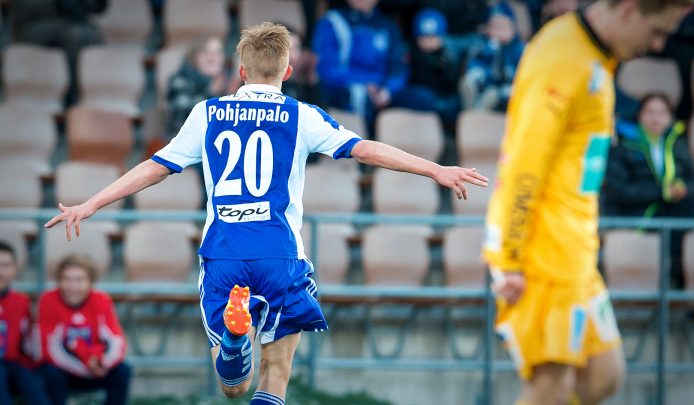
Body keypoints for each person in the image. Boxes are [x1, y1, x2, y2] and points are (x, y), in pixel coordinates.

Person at [44, 22, 488, 404]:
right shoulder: (301, 115)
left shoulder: (208, 112)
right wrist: (435, 168)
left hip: (225, 253)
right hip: (280, 253)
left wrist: (92, 202)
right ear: (288, 72)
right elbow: (366, 150)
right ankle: (242, 347)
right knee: (276, 372)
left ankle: (236, 344)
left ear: (240, 72)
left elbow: (155, 168)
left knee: (232, 387)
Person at [482, 0, 692, 403]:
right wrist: (509, 257)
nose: (660, 45)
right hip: (544, 254)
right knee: (549, 387)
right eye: (658, 32)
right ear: (630, 10)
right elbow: (525, 165)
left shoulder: (596, 56)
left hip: (576, 252)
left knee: (603, 377)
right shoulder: (563, 57)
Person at [602, 92, 694, 290]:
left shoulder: (677, 145)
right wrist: (662, 192)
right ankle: (673, 280)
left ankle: (679, 283)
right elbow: (618, 192)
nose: (656, 118)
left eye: (662, 113)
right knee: (679, 216)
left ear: (670, 118)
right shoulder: (625, 147)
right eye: (650, 112)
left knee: (686, 207)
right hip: (639, 214)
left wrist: (682, 189)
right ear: (640, 116)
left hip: (672, 210)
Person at [312, 0, 438, 135]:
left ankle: (416, 150)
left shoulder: (387, 25)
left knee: (424, 98)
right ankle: (362, 148)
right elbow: (327, 70)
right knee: (358, 93)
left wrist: (387, 91)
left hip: (382, 90)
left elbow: (399, 68)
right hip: (345, 89)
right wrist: (366, 83)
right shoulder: (332, 22)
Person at [38, 254, 131, 405]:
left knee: (123, 370)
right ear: (59, 281)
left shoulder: (102, 300)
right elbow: (49, 348)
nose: (72, 286)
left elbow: (117, 341)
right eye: (67, 279)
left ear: (90, 282)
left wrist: (100, 362)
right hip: (66, 369)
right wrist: (86, 365)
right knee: (50, 372)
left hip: (96, 368)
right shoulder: (48, 300)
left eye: (79, 280)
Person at [13, 0, 108, 106]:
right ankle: (72, 100)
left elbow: (98, 7)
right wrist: (57, 4)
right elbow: (24, 8)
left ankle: (97, 100)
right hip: (37, 25)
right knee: (74, 37)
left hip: (76, 22)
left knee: (95, 37)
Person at [0, 241, 50, 405]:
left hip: (13, 364)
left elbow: (29, 345)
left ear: (15, 269)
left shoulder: (21, 302)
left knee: (33, 384)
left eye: (6, 265)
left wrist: (36, 324)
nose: (1, 271)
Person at [459, 2, 526, 112]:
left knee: (495, 95)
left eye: (503, 27)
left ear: (513, 29)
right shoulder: (481, 47)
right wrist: (493, 51)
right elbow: (474, 70)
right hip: (484, 89)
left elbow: (519, 76)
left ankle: (478, 116)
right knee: (468, 84)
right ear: (487, 29)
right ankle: (472, 114)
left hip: (509, 92)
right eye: (495, 27)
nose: (499, 32)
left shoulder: (521, 50)